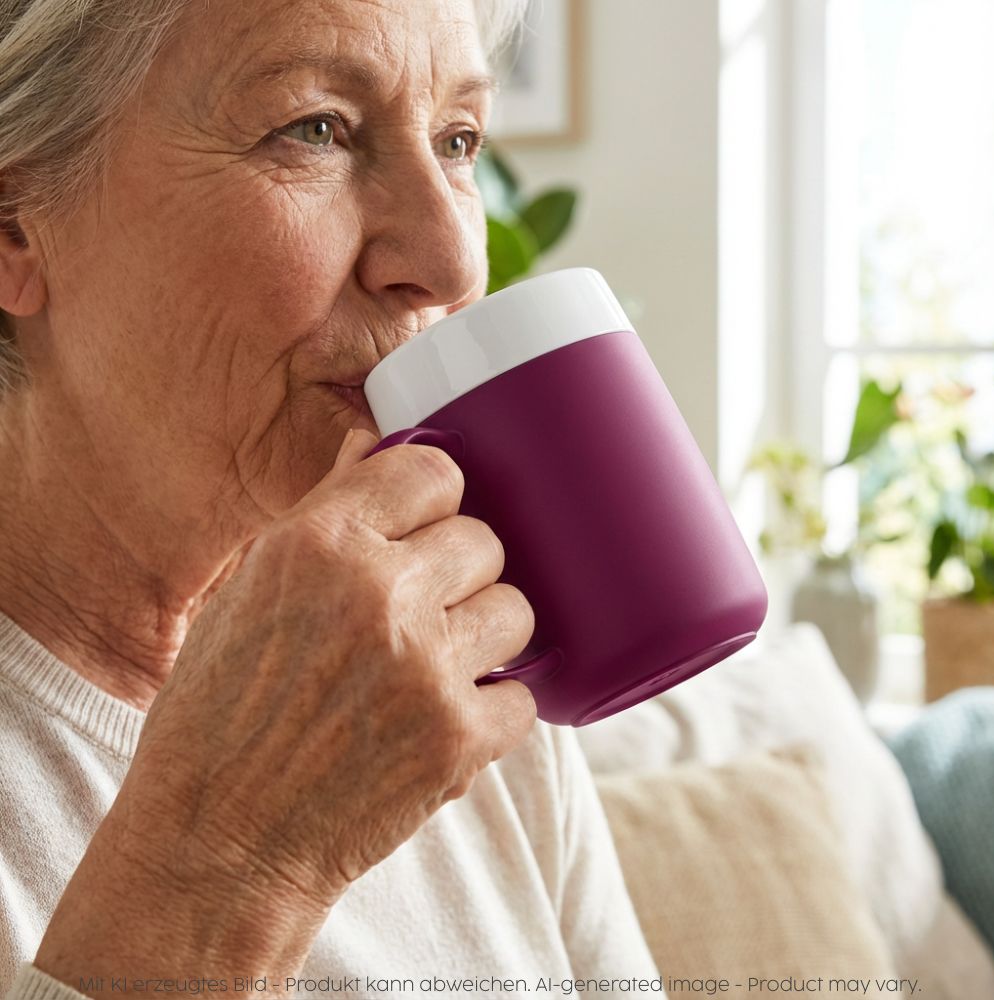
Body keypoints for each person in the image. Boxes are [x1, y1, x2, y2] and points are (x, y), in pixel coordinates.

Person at [0, 1, 661, 997]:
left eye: (457, 140)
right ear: (14, 227)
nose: (448, 260)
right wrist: (230, 859)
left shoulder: (460, 666)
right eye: (315, 129)